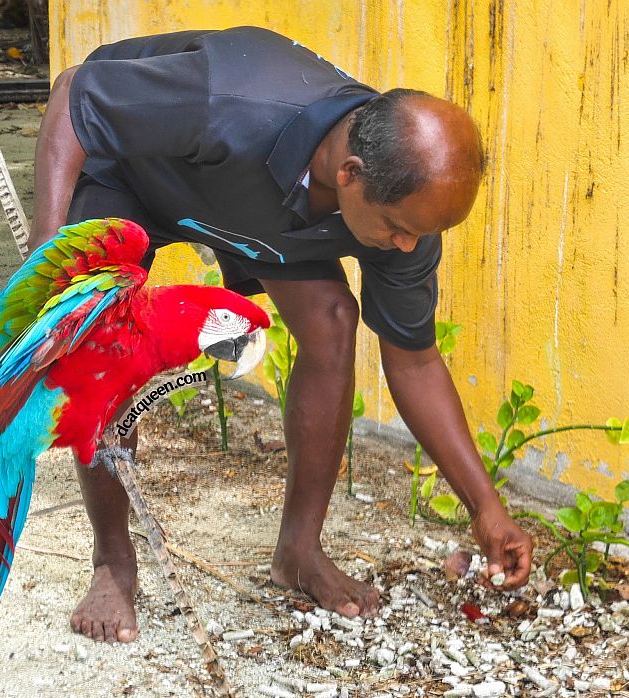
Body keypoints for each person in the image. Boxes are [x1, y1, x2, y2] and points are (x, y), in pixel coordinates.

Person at [27, 26, 533, 644]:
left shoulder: (404, 213)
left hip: (255, 213)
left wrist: (486, 508)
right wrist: (47, 267)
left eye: (418, 235)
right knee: (99, 330)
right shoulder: (233, 101)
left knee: (331, 322)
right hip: (134, 174)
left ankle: (299, 552)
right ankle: (114, 561)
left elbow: (415, 363)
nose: (408, 247)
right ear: (350, 172)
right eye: (399, 229)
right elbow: (76, 96)